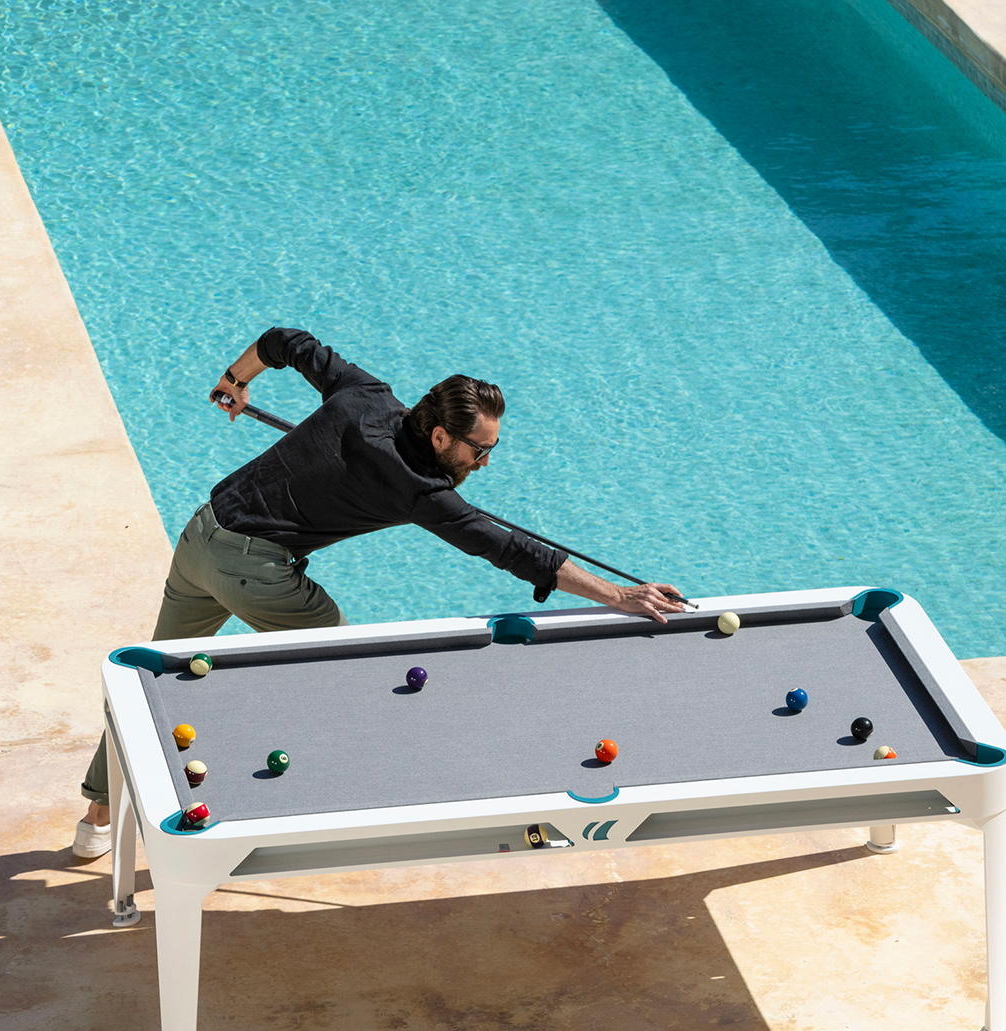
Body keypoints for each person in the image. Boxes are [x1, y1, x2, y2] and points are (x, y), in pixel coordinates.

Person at [73, 327, 687, 858]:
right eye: (481, 450)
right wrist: (619, 596)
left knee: (145, 684)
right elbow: (507, 549)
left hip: (201, 536)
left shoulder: (366, 395)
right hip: (252, 568)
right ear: (443, 437)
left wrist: (237, 379)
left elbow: (287, 342)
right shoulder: (420, 488)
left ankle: (95, 819)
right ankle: (307, 795)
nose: (485, 462)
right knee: (332, 653)